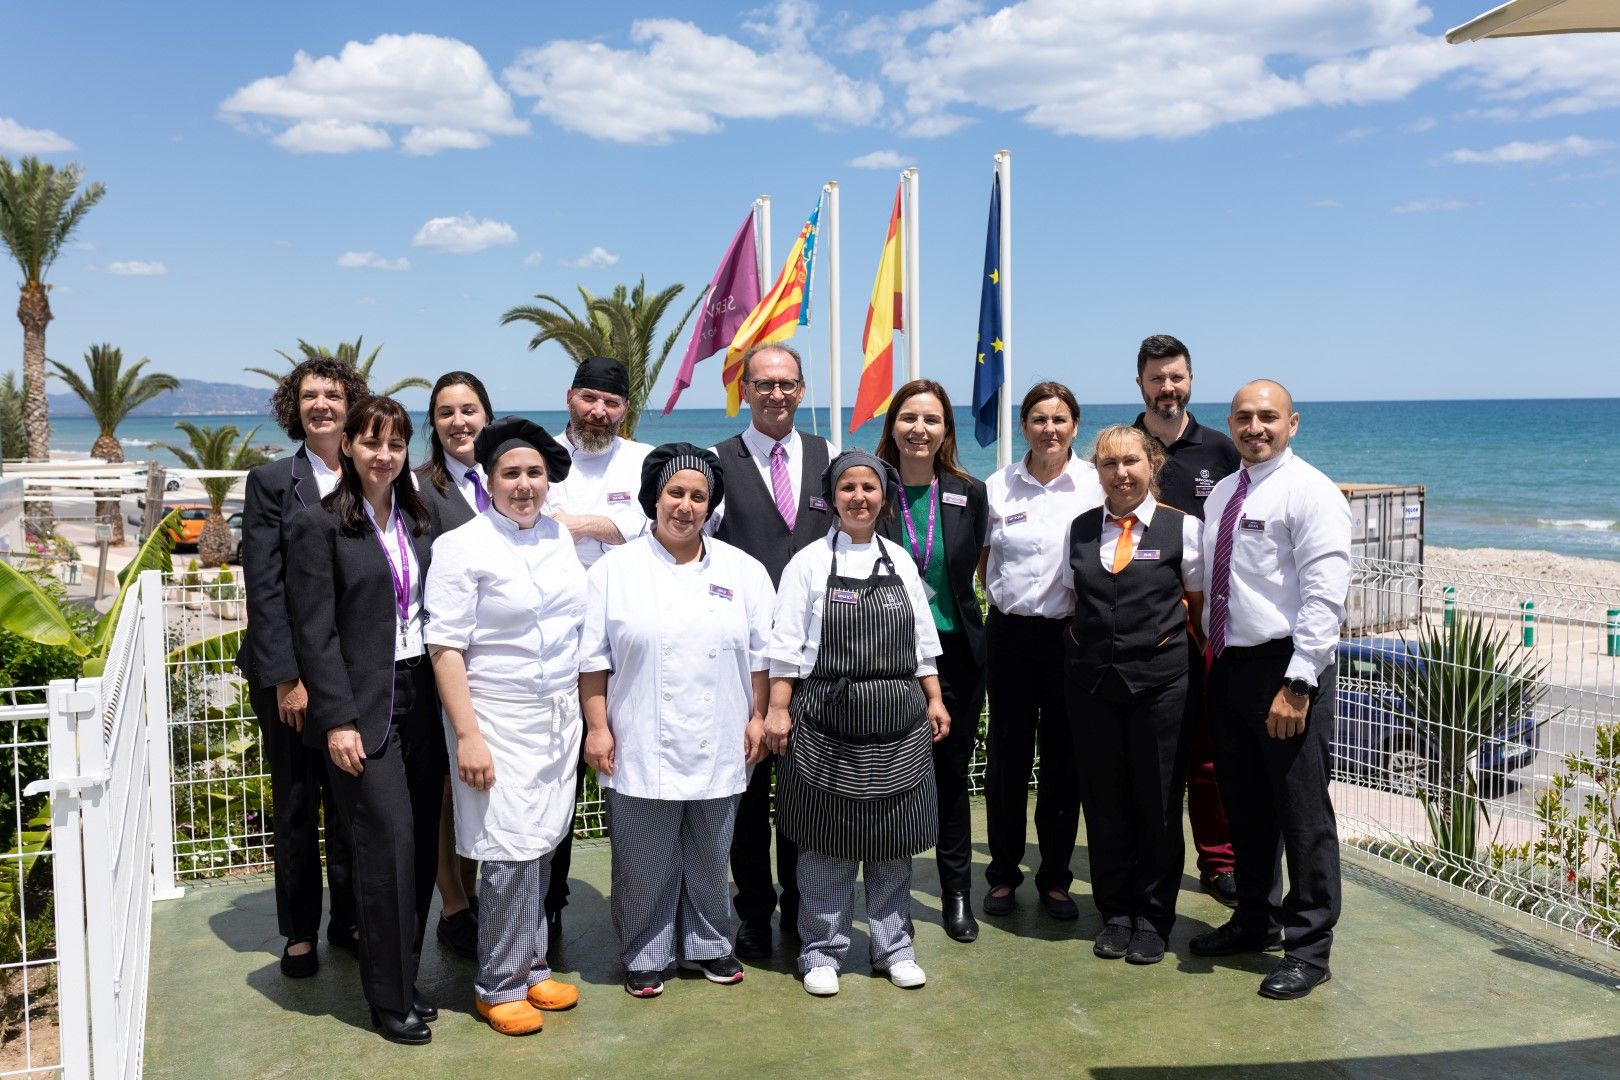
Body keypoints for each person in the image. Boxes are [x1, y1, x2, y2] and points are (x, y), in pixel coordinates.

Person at [580, 443, 774, 999]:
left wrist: (758, 716)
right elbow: (593, 660)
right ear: (654, 498)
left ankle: (710, 944)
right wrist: (597, 727)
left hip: (722, 736)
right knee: (643, 861)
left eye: (698, 496)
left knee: (712, 855)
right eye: (675, 493)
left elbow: (760, 656)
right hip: (638, 734)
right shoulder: (615, 571)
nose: (685, 506)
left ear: (710, 504)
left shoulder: (744, 570)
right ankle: (645, 952)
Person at [286, 397, 446, 1045]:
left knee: (421, 855)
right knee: (386, 845)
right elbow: (314, 634)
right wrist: (337, 720)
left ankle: (404, 978)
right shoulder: (317, 526)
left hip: (424, 698)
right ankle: (387, 1000)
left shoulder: (420, 518)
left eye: (397, 443)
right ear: (348, 445)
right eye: (372, 442)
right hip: (362, 708)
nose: (384, 455)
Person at [767, 450, 950, 997]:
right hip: (826, 720)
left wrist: (935, 700)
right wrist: (779, 708)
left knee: (892, 843)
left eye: (869, 487)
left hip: (898, 720)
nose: (859, 497)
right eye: (848, 487)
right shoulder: (807, 563)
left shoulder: (900, 560)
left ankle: (894, 949)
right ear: (832, 496)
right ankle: (821, 951)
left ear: (884, 495)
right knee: (825, 842)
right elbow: (786, 648)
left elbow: (922, 643)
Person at [1190, 380, 1350, 1001]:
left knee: (1302, 811)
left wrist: (1300, 682)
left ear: (1293, 423)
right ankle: (1254, 917)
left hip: (1287, 670)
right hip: (1230, 665)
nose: (1255, 427)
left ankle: (1309, 947)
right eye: (1243, 418)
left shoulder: (1310, 492)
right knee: (1246, 805)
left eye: (1268, 417)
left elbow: (1323, 594)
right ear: (1229, 424)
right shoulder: (1226, 491)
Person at [425, 417, 584, 1036]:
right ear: (488, 480)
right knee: (506, 852)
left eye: (535, 474)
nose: (524, 485)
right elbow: (445, 648)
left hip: (556, 715)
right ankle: (498, 984)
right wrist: (467, 734)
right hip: (494, 715)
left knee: (542, 844)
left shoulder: (558, 539)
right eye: (511, 473)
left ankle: (534, 967)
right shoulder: (462, 546)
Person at [237, 356, 367, 978]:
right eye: (310, 395)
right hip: (290, 675)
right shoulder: (270, 481)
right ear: (296, 406)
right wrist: (287, 677)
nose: (322, 405)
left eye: (334, 396)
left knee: (349, 800)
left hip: (353, 670)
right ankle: (298, 933)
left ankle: (347, 918)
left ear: (351, 405)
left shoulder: (370, 472)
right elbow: (263, 587)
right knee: (296, 803)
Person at [708, 342, 835, 958]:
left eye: (786, 384)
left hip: (814, 660)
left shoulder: (826, 455)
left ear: (801, 390)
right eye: (763, 385)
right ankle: (754, 910)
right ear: (745, 391)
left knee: (806, 793)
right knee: (750, 790)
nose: (776, 394)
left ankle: (804, 904)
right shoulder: (717, 462)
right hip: (747, 663)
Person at [1063, 425, 1204, 966]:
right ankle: (1116, 913)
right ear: (1096, 471)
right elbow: (1072, 598)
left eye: (1130, 462)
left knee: (1159, 802)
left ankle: (1152, 917)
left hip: (1162, 684)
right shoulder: (1079, 529)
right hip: (1092, 684)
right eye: (1107, 464)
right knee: (1104, 803)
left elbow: (1196, 602)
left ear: (1153, 465)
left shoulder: (1183, 529)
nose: (1120, 473)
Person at [540, 356, 654, 950]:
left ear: (624, 410)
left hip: (626, 644)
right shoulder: (542, 458)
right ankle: (547, 906)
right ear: (570, 398)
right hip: (553, 643)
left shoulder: (642, 461)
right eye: (589, 399)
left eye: (610, 403)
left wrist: (583, 522)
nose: (598, 412)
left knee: (627, 776)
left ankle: (640, 908)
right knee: (556, 780)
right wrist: (615, 525)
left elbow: (664, 523)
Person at [979, 381, 1103, 921]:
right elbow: (982, 562)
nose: (1049, 428)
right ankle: (1003, 875)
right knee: (1006, 760)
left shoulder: (1096, 486)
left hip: (1070, 639)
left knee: (1062, 761)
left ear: (1075, 426)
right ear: (1024, 425)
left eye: (1059, 419)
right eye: (1038, 418)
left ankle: (1055, 877)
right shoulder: (998, 486)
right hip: (1008, 636)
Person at [874, 380, 989, 944]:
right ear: (892, 425)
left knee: (950, 780)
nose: (920, 429)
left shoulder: (969, 491)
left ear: (946, 430)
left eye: (933, 419)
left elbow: (979, 571)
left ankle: (956, 895)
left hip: (959, 658)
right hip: (888, 661)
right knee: (886, 779)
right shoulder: (869, 487)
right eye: (909, 417)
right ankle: (885, 901)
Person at [1132, 334, 1242, 906]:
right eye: (1156, 379)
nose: (1167, 388)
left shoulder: (1222, 452)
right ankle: (1143, 861)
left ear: (1191, 380)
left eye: (1176, 377)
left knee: (1206, 753)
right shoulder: (1125, 449)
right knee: (1147, 758)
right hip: (1140, 630)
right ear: (1140, 384)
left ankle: (1219, 863)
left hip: (1204, 627)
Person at [415, 370, 495, 959]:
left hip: (501, 666)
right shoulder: (417, 488)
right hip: (444, 658)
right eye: (446, 413)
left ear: (487, 415)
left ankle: (482, 889)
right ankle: (454, 903)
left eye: (469, 410)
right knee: (447, 786)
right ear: (433, 424)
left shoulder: (513, 477)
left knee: (484, 783)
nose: (459, 422)